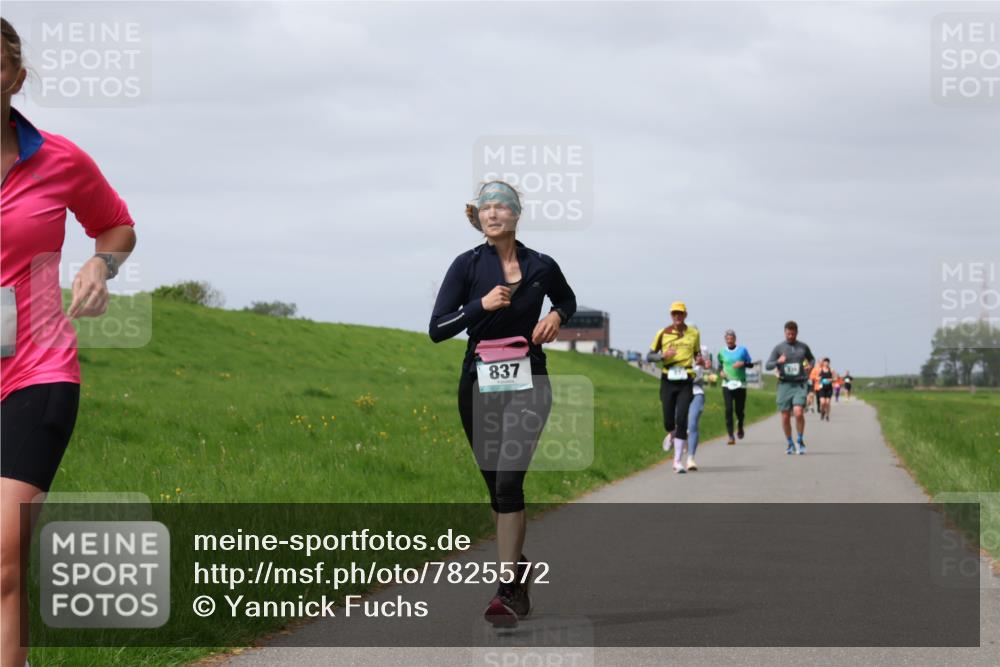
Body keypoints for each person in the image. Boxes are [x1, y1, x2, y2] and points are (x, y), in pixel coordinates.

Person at [1, 18, 137, 667]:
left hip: (35, 370)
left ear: (16, 78)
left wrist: (99, 266)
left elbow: (114, 226)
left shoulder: (59, 158)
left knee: (2, 556)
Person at [429, 180, 575, 628]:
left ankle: (508, 589)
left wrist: (555, 316)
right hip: (478, 384)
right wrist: (480, 305)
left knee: (510, 485)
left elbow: (566, 299)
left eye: (501, 207)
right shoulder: (466, 266)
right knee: (496, 489)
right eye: (485, 208)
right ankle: (520, 566)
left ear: (515, 215)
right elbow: (438, 328)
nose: (492, 214)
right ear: (478, 218)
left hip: (530, 382)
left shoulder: (540, 265)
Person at [648, 302, 701, 473]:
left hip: (686, 378)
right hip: (668, 379)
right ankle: (671, 433)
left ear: (685, 315)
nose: (677, 317)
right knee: (668, 420)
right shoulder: (663, 333)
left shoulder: (694, 333)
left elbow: (697, 354)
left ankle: (677, 461)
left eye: (680, 314)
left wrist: (700, 360)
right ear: (671, 316)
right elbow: (649, 356)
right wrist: (663, 355)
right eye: (674, 314)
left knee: (682, 417)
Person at [764, 321, 815, 454]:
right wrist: (778, 362)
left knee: (798, 412)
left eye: (793, 333)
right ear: (785, 332)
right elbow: (768, 365)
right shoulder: (779, 348)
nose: (790, 336)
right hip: (784, 384)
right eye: (788, 333)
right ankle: (790, 443)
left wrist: (810, 366)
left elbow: (812, 359)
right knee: (785, 416)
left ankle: (800, 440)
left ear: (796, 333)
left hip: (799, 383)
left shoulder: (803, 347)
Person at [716, 329, 752, 444]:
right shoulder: (721, 352)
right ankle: (730, 435)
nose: (730, 341)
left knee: (739, 410)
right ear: (725, 340)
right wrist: (720, 372)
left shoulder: (742, 350)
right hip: (727, 384)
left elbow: (750, 364)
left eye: (731, 339)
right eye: (728, 339)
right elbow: (719, 366)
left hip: (740, 384)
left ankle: (740, 425)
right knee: (728, 410)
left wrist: (743, 363)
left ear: (735, 339)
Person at [684, 347, 712, 470]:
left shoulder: (703, 349)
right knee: (679, 423)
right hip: (680, 391)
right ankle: (678, 436)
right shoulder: (677, 346)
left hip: (696, 391)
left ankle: (690, 459)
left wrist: (705, 363)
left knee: (693, 423)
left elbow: (707, 365)